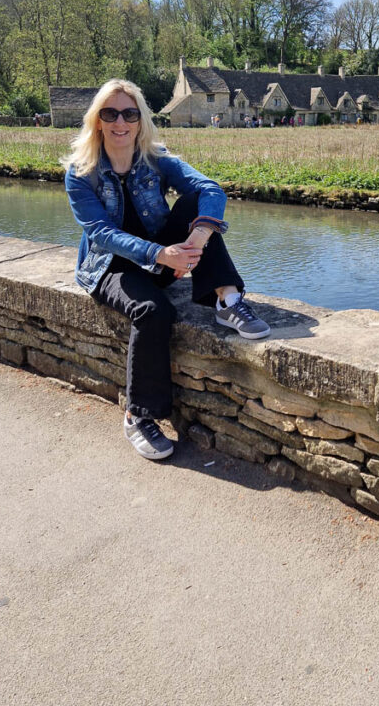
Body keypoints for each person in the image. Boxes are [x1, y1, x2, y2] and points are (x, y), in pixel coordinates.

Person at [64, 79, 270, 461]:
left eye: (130, 113)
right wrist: (161, 254)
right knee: (153, 311)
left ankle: (227, 299)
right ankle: (137, 415)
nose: (120, 122)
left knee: (196, 204)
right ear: (97, 121)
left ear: (141, 120)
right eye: (110, 114)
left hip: (163, 255)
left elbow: (210, 189)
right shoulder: (81, 173)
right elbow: (101, 233)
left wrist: (199, 237)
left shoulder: (155, 158)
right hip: (111, 267)